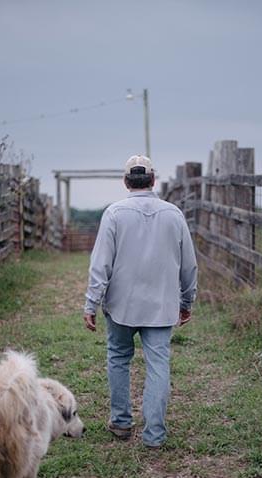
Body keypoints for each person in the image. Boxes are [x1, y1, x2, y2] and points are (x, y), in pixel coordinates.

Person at [83, 154, 198, 449]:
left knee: (119, 357)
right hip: (161, 305)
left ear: (125, 182)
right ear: (153, 180)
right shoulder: (173, 214)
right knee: (159, 364)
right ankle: (154, 435)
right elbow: (189, 265)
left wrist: (91, 302)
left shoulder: (114, 214)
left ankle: (121, 422)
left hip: (121, 305)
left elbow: (101, 264)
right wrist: (187, 301)